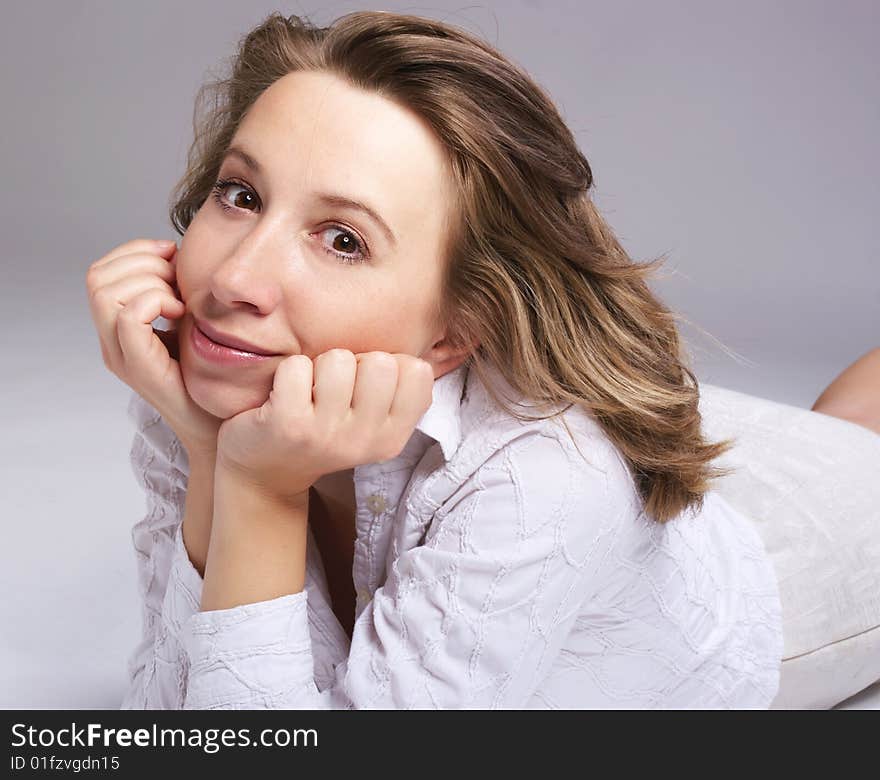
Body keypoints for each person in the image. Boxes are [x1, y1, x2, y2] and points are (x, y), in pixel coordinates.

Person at [85, 10, 878, 709]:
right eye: (241, 195)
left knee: (858, 455)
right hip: (661, 491)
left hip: (806, 568)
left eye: (343, 240)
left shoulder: (546, 483)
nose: (232, 280)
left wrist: (250, 486)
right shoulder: (216, 374)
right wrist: (207, 449)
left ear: (451, 333)